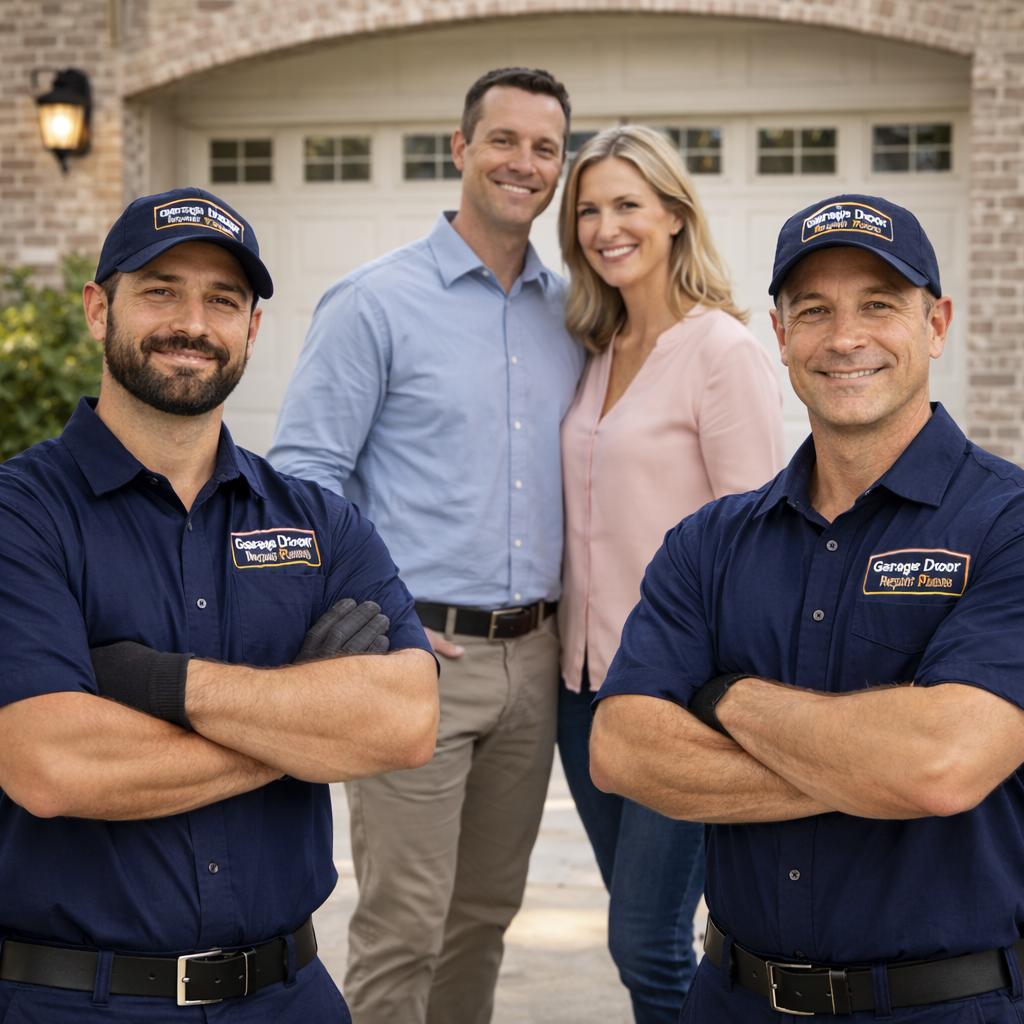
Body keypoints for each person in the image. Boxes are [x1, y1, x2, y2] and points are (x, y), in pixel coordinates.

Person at [0, 187, 439, 1023]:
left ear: (252, 330)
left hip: (289, 996)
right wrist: (304, 727)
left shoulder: (318, 522)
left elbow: (406, 721)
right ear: (98, 309)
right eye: (160, 291)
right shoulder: (21, 515)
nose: (192, 323)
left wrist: (158, 684)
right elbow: (50, 764)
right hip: (77, 1001)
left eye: (223, 300)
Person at [589, 192, 1024, 1022]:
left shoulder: (1008, 526)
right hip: (734, 1000)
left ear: (936, 325)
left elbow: (942, 763)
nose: (846, 337)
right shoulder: (709, 542)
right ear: (781, 336)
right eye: (815, 310)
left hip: (946, 1006)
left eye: (879, 305)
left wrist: (726, 698)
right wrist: (871, 770)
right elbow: (623, 748)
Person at [267, 68, 585, 1024]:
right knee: (404, 926)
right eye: (503, 140)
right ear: (461, 148)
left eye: (544, 148)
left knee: (484, 919)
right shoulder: (374, 303)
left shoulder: (573, 313)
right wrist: (374, 619)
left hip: (534, 659)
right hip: (422, 662)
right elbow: (305, 479)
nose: (523, 163)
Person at [555, 126, 785, 1023]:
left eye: (628, 204)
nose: (606, 227)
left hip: (672, 692)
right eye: (588, 210)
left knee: (645, 942)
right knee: (647, 931)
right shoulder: (599, 347)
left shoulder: (720, 349)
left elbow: (759, 538)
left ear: (676, 216)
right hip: (583, 689)